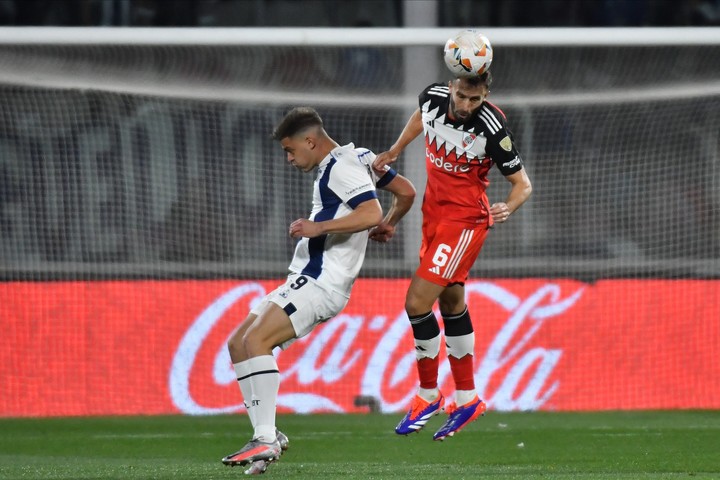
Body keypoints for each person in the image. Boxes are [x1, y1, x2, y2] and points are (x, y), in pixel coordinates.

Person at [221, 106, 416, 474]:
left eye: (290, 150)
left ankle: (264, 440)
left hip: (321, 281)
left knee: (256, 342)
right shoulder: (360, 156)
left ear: (311, 141)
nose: (290, 159)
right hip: (304, 277)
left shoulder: (340, 168)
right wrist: (391, 224)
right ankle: (267, 434)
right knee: (239, 342)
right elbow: (405, 192)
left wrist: (319, 228)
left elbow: (370, 212)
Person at [372, 71, 532, 441]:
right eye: (461, 96)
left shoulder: (493, 128)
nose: (465, 105)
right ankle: (468, 398)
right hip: (434, 214)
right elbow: (421, 117)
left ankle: (428, 394)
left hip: (464, 222)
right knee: (452, 300)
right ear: (452, 87)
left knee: (416, 303)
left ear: (485, 95)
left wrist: (508, 207)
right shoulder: (431, 97)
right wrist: (396, 150)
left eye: (474, 100)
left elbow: (523, 184)